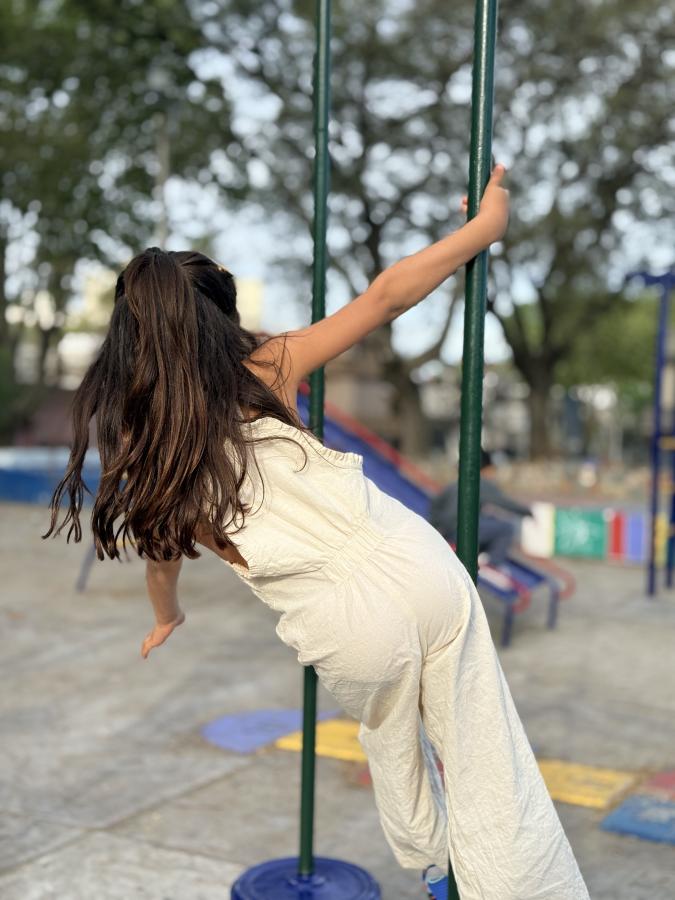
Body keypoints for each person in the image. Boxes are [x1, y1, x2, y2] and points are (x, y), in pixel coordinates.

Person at [43, 165, 588, 900]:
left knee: (394, 747)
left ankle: (436, 872)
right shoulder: (266, 368)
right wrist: (482, 230)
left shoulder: (152, 451)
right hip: (417, 562)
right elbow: (386, 296)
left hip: (346, 627)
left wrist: (166, 616)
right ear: (218, 319)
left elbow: (161, 561)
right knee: (486, 753)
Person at [429, 449, 532, 567]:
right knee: (506, 528)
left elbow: (435, 507)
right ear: (485, 469)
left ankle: (482, 554)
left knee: (488, 519)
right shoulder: (479, 483)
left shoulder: (451, 485)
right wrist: (528, 512)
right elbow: (505, 503)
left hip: (444, 531)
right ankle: (492, 563)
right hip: (461, 531)